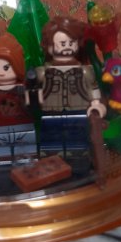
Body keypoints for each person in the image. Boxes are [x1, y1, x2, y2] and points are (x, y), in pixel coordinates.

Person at [34, 16, 106, 160]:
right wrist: (36, 98)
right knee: (52, 139)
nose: (67, 46)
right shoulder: (43, 72)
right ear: (49, 46)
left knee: (78, 140)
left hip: (78, 112)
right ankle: (51, 159)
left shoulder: (84, 71)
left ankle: (79, 158)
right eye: (62, 43)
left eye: (71, 43)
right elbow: (34, 91)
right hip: (51, 113)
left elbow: (93, 90)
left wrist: (96, 104)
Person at [0, 33, 37, 194]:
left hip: (23, 130)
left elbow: (34, 106)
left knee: (26, 162)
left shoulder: (23, 89)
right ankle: (0, 187)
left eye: (6, 67)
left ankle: (27, 187)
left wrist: (33, 93)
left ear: (17, 66)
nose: (1, 72)